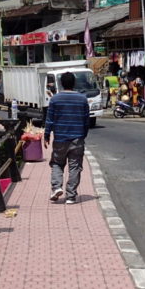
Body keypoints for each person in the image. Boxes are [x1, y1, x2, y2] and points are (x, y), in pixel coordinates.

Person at [43, 71, 91, 205]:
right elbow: (86, 120)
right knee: (75, 167)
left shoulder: (55, 99)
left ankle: (57, 187)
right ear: (74, 83)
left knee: (57, 163)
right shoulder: (82, 99)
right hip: (77, 138)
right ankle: (71, 196)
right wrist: (83, 134)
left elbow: (50, 119)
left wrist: (46, 135)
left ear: (61, 84)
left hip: (60, 138)